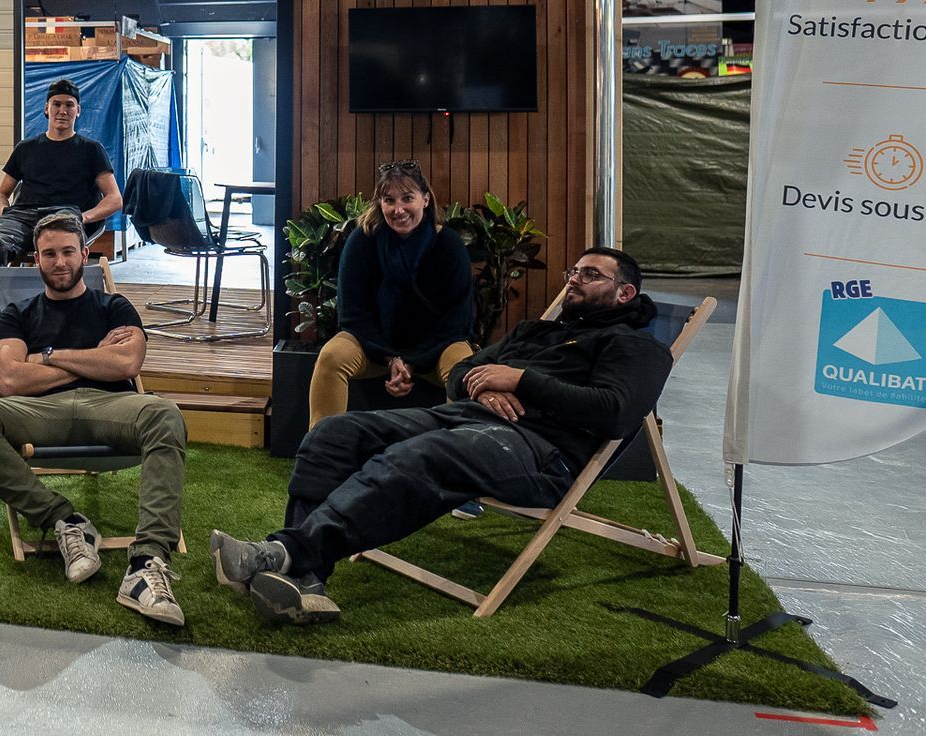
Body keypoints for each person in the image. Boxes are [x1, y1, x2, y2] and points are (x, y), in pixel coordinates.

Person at [210, 246, 672, 625]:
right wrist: (483, 388)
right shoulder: (537, 331)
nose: (573, 278)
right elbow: (463, 371)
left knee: (421, 454)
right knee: (335, 433)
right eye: (574, 270)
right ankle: (305, 581)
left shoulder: (637, 348)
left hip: (541, 451)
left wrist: (518, 381)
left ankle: (284, 552)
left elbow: (615, 412)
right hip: (471, 419)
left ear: (624, 293)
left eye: (590, 275)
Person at [0, 211, 189, 627]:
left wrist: (49, 356)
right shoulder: (17, 313)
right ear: (35, 259)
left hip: (110, 407)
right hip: (42, 412)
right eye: (49, 253)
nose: (60, 262)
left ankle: (147, 563)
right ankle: (64, 520)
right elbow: (8, 378)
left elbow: (128, 362)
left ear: (85, 253)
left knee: (165, 415)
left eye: (68, 252)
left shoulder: (114, 305)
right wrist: (96, 357)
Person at [310, 161, 475, 427]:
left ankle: (453, 453)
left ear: (425, 199)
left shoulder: (449, 244)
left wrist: (411, 361)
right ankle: (319, 449)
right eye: (389, 200)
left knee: (463, 366)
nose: (399, 209)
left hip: (436, 349)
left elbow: (458, 320)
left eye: (407, 198)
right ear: (380, 204)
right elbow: (353, 314)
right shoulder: (362, 241)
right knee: (331, 358)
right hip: (373, 347)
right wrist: (391, 359)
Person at [0, 78, 122, 268]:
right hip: (22, 217)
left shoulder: (92, 150)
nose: (62, 111)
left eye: (69, 105)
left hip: (65, 215)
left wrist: (83, 217)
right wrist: (5, 213)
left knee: (57, 251)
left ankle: (60, 297)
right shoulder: (26, 148)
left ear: (78, 110)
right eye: (56, 104)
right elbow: (2, 193)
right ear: (46, 109)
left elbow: (115, 198)